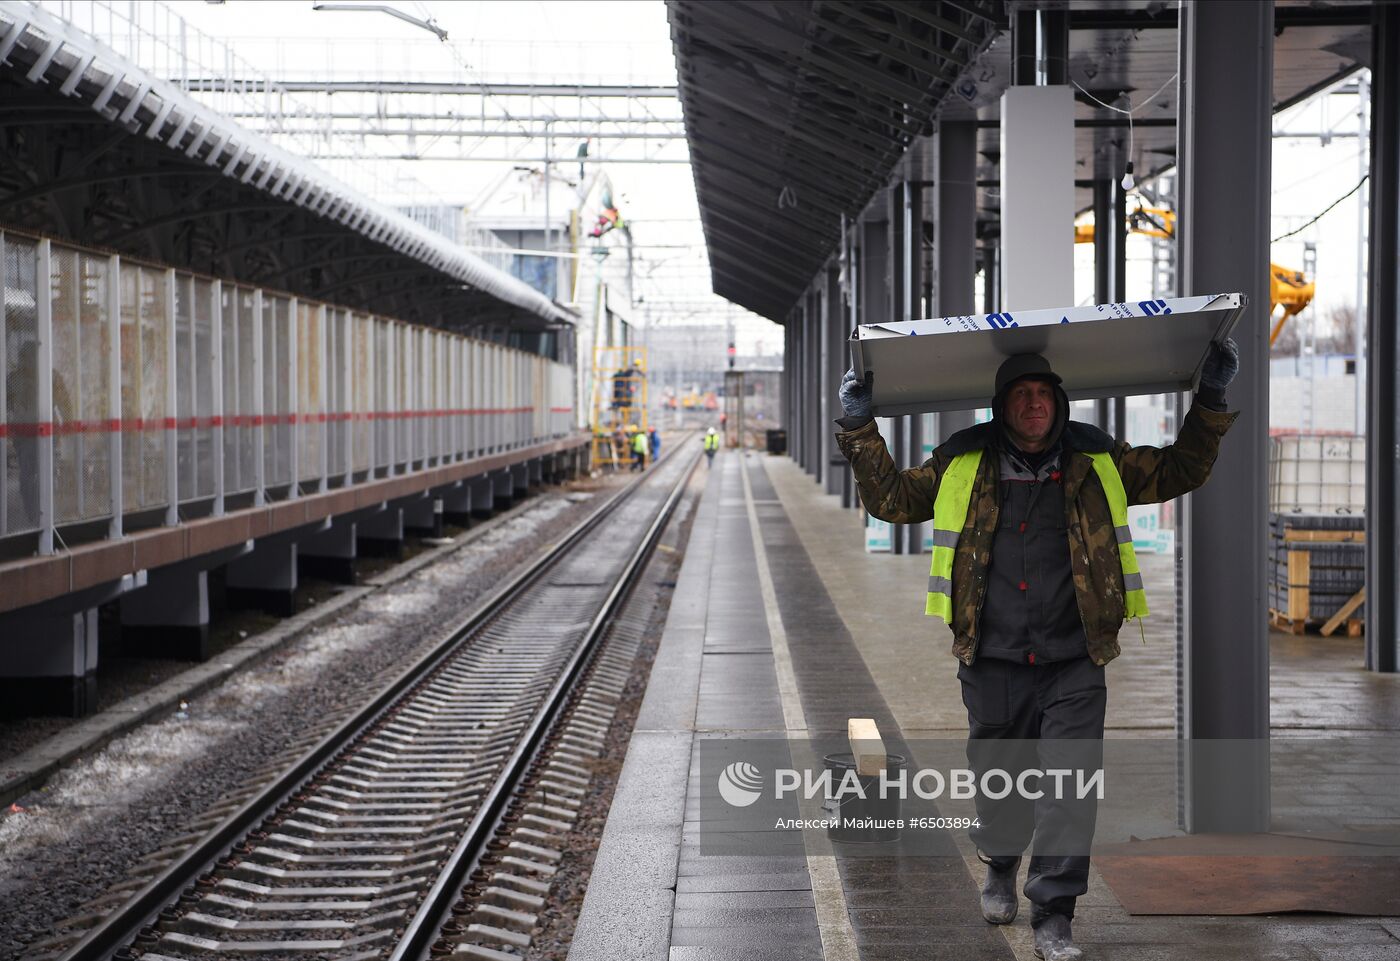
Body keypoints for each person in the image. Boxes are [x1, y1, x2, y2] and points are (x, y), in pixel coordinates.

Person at [834, 343, 1240, 961]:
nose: (1034, 404)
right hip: (992, 656)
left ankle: (1054, 913)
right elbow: (893, 500)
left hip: (1075, 657)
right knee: (1003, 785)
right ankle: (999, 861)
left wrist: (1209, 398)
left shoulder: (1095, 457)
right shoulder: (963, 459)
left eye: (1043, 394)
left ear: (1058, 402)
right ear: (1002, 406)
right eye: (1021, 394)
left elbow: (1179, 470)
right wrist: (861, 426)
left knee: (1070, 787)